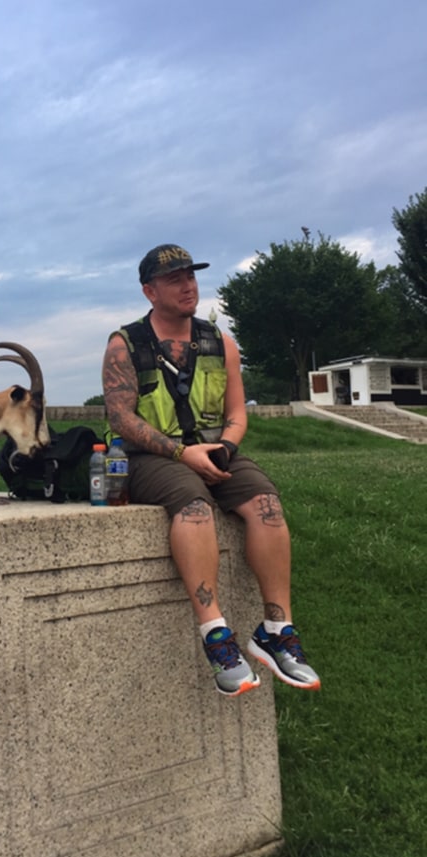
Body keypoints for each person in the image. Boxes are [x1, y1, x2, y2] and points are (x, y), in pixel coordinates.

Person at [102, 243, 320, 697]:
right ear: (149, 291)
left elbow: (237, 413)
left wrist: (224, 449)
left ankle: (277, 630)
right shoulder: (125, 344)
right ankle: (216, 635)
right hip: (150, 458)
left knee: (266, 503)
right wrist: (184, 455)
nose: (188, 285)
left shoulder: (219, 342)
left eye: (191, 276)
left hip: (213, 450)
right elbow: (122, 418)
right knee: (195, 506)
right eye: (174, 279)